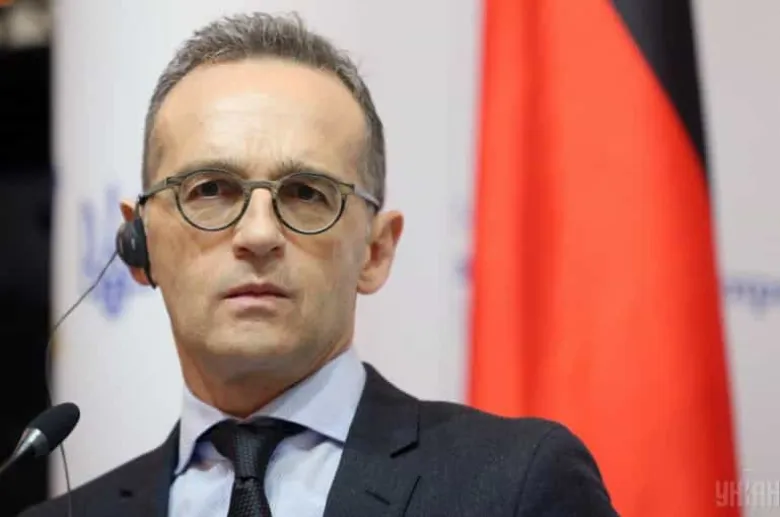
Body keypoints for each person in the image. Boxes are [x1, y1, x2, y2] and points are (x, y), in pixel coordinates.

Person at [21, 11, 620, 517]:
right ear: (139, 242)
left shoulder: (516, 484)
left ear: (376, 251)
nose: (259, 234)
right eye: (211, 190)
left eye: (307, 193)